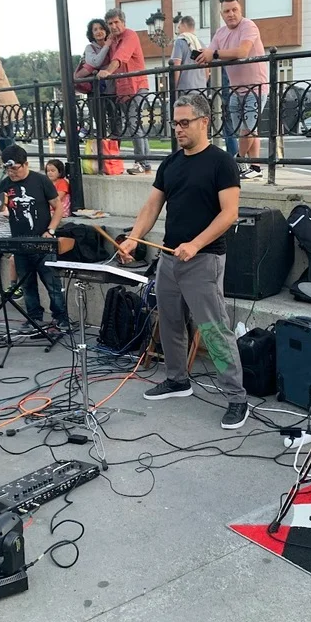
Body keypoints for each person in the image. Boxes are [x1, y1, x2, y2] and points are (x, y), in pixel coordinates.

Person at [118, 94, 248, 430]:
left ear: (204, 122)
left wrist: (196, 243)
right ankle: (177, 380)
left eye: (185, 122)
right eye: (175, 123)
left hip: (204, 259)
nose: (178, 129)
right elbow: (152, 206)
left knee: (213, 328)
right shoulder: (170, 163)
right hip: (169, 258)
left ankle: (237, 397)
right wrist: (134, 237)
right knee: (170, 322)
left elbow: (229, 214)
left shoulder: (222, 163)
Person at [0, 145, 68, 333]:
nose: (12, 173)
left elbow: (58, 207)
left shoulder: (41, 180)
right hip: (20, 242)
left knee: (52, 284)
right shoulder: (5, 184)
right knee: (27, 285)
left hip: (43, 241)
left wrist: (51, 230)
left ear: (25, 164)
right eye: (8, 169)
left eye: (15, 168)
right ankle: (34, 318)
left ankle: (61, 318)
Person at [196, 0, 268, 180]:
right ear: (221, 14)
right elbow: (211, 53)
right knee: (246, 129)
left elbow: (242, 52)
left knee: (248, 129)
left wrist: (214, 54)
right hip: (236, 89)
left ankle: (237, 160)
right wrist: (203, 57)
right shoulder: (220, 33)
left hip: (256, 87)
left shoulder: (248, 26)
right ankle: (256, 167)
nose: (231, 14)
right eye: (227, 11)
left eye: (234, 10)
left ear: (240, 10)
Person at [98, 8, 151, 175]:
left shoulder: (130, 35)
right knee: (134, 124)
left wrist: (108, 71)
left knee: (134, 123)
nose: (113, 26)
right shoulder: (113, 41)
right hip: (123, 88)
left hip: (136, 85)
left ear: (123, 22)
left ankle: (141, 162)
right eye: (110, 23)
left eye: (116, 22)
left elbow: (120, 57)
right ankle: (146, 163)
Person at [170, 16, 208, 94]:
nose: (178, 31)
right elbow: (207, 70)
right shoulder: (201, 44)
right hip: (201, 89)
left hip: (185, 88)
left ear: (184, 26)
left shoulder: (180, 42)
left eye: (179, 27)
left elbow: (176, 66)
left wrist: (174, 87)